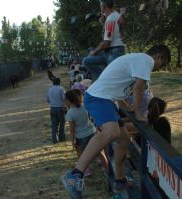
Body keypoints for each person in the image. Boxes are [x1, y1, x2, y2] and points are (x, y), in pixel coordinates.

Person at [61, 45, 171, 199]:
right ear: (159, 57)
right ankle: (75, 174)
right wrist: (138, 113)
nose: (159, 68)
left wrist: (129, 107)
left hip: (104, 98)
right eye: (163, 64)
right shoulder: (146, 60)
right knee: (111, 131)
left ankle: (120, 180)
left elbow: (117, 87)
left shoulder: (135, 60)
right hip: (99, 98)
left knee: (124, 139)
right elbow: (139, 88)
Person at [65, 90, 108, 176]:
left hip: (81, 136)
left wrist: (72, 141)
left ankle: (86, 170)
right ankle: (107, 168)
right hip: (92, 131)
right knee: (99, 152)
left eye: (65, 99)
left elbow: (72, 130)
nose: (64, 101)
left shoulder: (70, 113)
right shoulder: (84, 106)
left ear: (69, 101)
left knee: (81, 154)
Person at [82, 0, 125, 82]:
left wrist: (94, 52)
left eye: (100, 5)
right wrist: (103, 23)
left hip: (113, 52)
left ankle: (102, 80)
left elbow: (106, 44)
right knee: (86, 61)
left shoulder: (110, 20)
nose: (100, 7)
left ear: (103, 6)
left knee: (87, 60)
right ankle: (101, 80)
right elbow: (118, 33)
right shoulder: (116, 15)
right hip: (113, 51)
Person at [46, 78, 66, 144]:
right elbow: (64, 98)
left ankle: (54, 139)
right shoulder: (61, 88)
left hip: (52, 108)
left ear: (53, 83)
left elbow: (48, 100)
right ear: (59, 82)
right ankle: (62, 138)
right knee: (62, 124)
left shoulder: (50, 89)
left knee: (54, 125)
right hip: (60, 108)